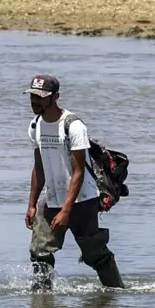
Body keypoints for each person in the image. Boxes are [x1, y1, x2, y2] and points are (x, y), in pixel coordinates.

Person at [26, 74, 124, 290]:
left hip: (82, 200)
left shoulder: (73, 125)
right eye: (33, 96)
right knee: (40, 252)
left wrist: (66, 211)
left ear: (55, 97)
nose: (36, 101)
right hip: (51, 199)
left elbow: (78, 172)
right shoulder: (35, 126)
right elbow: (39, 168)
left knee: (94, 254)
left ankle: (117, 291)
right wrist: (32, 204)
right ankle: (42, 302)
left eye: (41, 97)